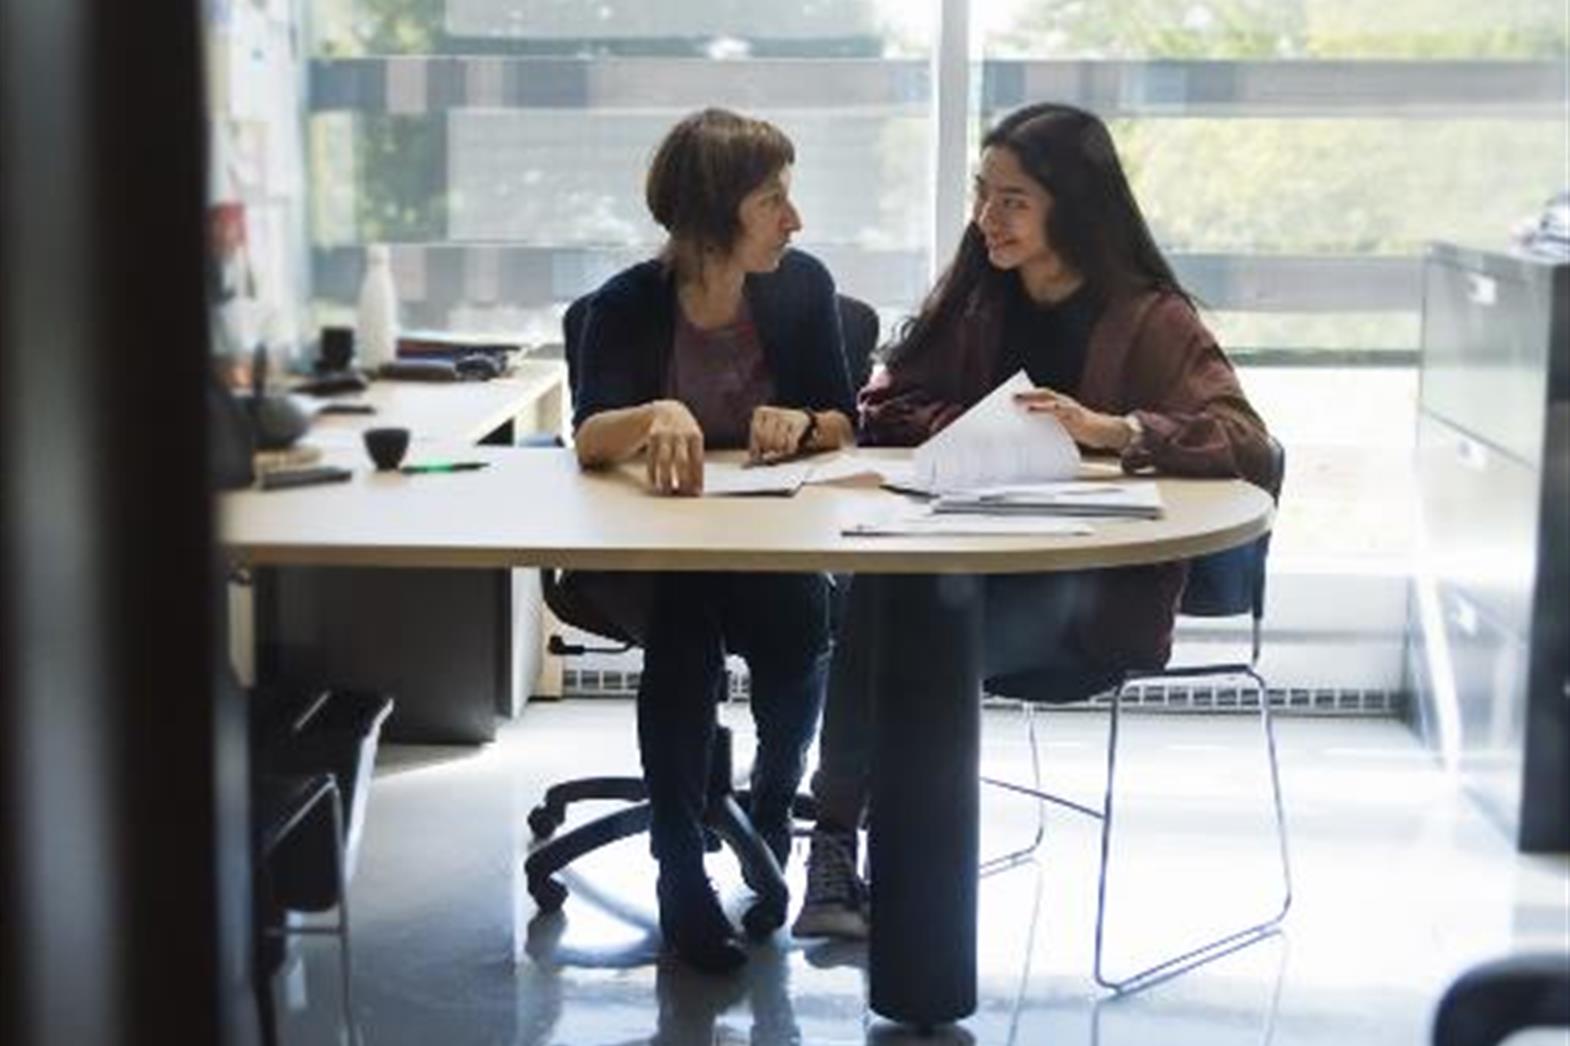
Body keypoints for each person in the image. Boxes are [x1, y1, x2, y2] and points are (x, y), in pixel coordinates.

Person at [790, 102, 1275, 940]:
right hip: (965, 565)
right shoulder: (980, 294)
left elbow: (1247, 443)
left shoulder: (1149, 318)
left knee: (907, 643)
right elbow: (886, 400)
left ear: (1073, 205)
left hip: (1086, 597)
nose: (987, 220)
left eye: (1013, 200)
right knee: (883, 599)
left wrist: (1113, 431)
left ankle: (873, 874)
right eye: (983, 195)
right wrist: (974, 424)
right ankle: (848, 860)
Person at [570, 108, 857, 972]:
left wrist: (802, 422)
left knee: (800, 616)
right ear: (714, 211)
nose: (793, 219)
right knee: (685, 627)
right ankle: (677, 869)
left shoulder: (800, 288)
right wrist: (655, 412)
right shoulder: (626, 304)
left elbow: (848, 423)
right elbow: (588, 438)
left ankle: (773, 800)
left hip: (767, 539)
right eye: (773, 198)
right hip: (657, 552)